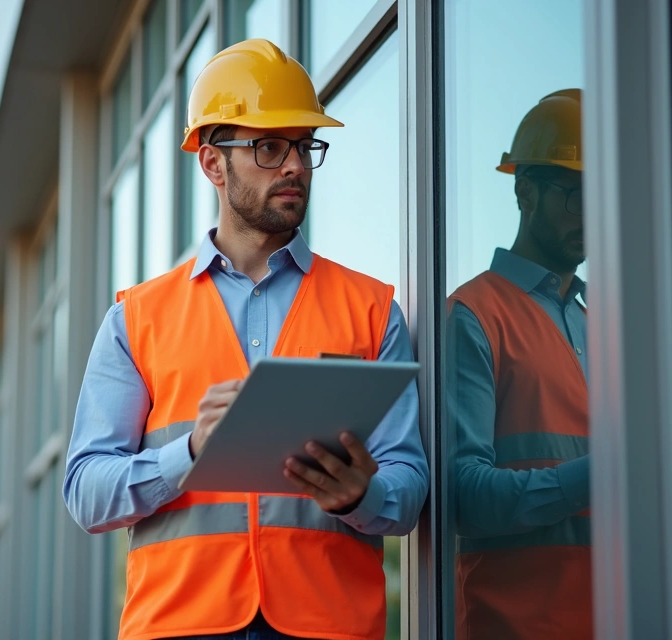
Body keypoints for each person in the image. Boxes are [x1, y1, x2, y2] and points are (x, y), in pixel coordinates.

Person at [63, 39, 428, 640]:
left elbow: (408, 489)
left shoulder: (372, 309)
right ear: (212, 164)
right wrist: (188, 454)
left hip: (326, 624)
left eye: (304, 147)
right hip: (181, 624)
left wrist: (361, 495)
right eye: (269, 148)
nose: (294, 166)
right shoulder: (137, 318)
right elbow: (86, 493)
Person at [447, 88, 672, 640]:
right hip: (514, 627)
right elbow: (463, 498)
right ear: (523, 191)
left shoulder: (613, 331)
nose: (591, 215)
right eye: (573, 194)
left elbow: (657, 485)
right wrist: (605, 476)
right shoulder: (472, 315)